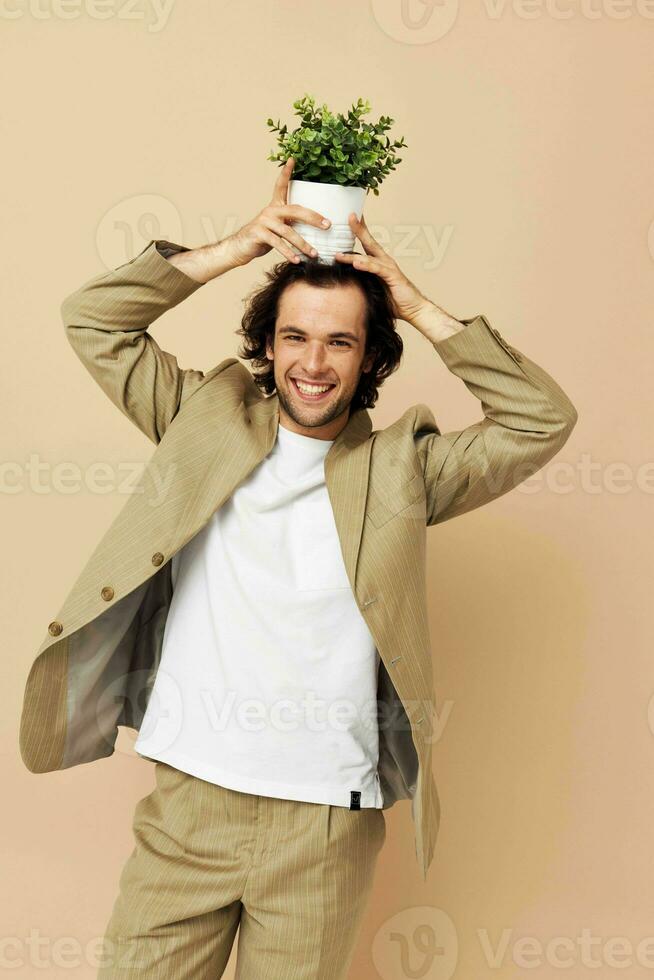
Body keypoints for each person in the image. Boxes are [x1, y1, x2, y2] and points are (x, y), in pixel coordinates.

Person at [23, 157, 577, 979]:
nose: (313, 362)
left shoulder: (406, 470)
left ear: (369, 356)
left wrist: (417, 303)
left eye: (340, 341)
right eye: (295, 336)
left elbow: (540, 420)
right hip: (189, 804)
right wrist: (233, 249)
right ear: (267, 343)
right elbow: (93, 320)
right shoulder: (198, 421)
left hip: (325, 825)